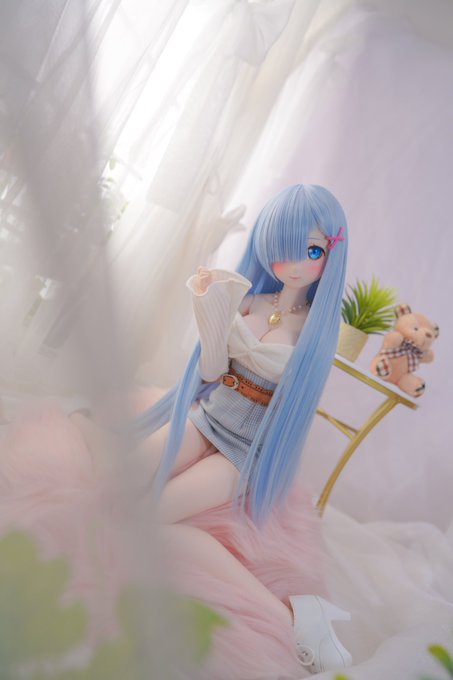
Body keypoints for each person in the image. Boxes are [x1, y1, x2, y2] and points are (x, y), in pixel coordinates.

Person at [73, 183, 352, 675]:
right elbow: (209, 372)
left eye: (311, 251)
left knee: (154, 519)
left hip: (242, 453)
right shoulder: (250, 301)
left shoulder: (314, 332)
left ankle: (293, 618)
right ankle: (105, 444)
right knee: (119, 480)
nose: (296, 264)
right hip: (205, 420)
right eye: (285, 248)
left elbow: (288, 412)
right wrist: (209, 313)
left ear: (330, 253)